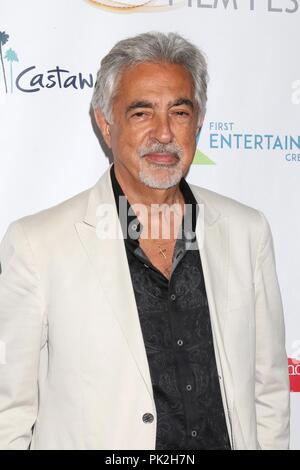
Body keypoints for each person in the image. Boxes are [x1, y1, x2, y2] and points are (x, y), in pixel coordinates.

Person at [0, 32, 290, 450]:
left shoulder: (248, 231)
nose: (164, 133)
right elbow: (9, 412)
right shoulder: (37, 244)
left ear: (199, 121)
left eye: (180, 111)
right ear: (105, 123)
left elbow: (269, 392)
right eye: (141, 113)